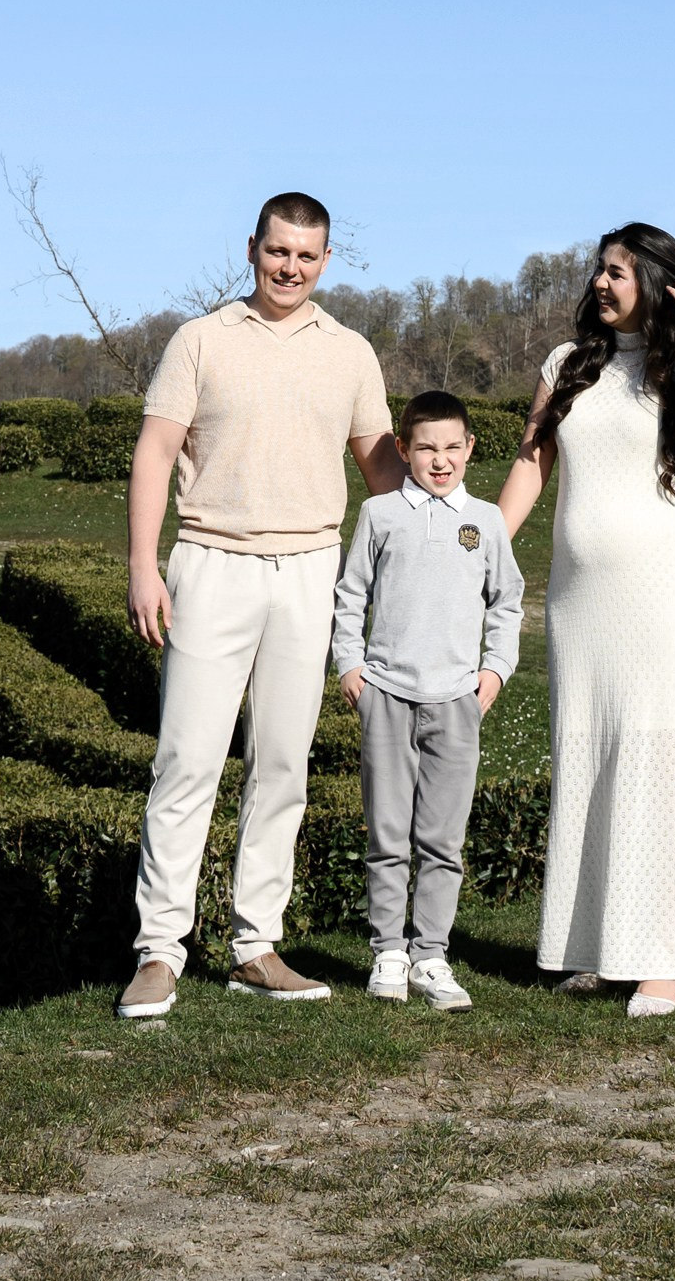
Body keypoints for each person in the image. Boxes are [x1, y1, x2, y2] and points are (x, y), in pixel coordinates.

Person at [118, 192, 402, 1020]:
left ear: (325, 261)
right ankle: (159, 952)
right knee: (187, 762)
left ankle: (255, 946)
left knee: (282, 764)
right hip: (211, 563)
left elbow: (381, 468)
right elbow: (155, 450)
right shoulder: (199, 340)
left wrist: (436, 541)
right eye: (279, 252)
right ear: (253, 248)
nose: (291, 268)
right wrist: (145, 565)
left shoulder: (350, 352)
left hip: (310, 568)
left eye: (307, 257)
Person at [497, 222, 675, 1017]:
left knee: (657, 759)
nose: (602, 283)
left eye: (621, 272)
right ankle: (601, 944)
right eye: (600, 270)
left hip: (662, 595)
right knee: (591, 756)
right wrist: (487, 547)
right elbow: (533, 460)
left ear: (656, 284)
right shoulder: (566, 366)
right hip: (578, 601)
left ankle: (663, 957)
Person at [331, 388, 524, 1011]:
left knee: (443, 840)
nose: (439, 461)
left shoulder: (487, 521)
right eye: (425, 448)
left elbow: (507, 603)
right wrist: (351, 667)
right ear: (403, 450)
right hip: (386, 692)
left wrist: (492, 673)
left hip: (456, 701)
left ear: (470, 449)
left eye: (451, 448)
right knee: (388, 834)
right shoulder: (380, 515)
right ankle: (388, 949)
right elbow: (350, 594)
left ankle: (431, 956)